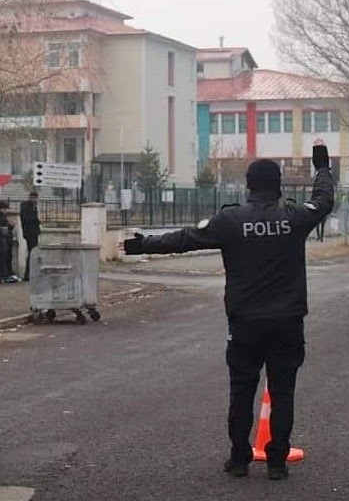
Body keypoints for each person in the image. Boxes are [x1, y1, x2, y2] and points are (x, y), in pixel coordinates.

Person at [121, 144, 334, 480]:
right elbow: (323, 202)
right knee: (283, 391)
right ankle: (276, 462)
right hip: (286, 322)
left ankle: (239, 458)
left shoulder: (231, 220)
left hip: (245, 323)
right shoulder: (293, 218)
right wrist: (322, 168)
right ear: (278, 185)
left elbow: (186, 239)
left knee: (241, 390)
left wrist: (142, 244)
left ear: (248, 186)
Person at [19, 191, 41, 281]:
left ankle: (31, 273)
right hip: (29, 233)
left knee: (33, 253)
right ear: (30, 197)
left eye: (36, 198)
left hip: (34, 232)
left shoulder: (33, 207)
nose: (35, 200)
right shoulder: (25, 206)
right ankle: (27, 274)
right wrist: (37, 220)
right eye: (34, 198)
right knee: (32, 253)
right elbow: (25, 218)